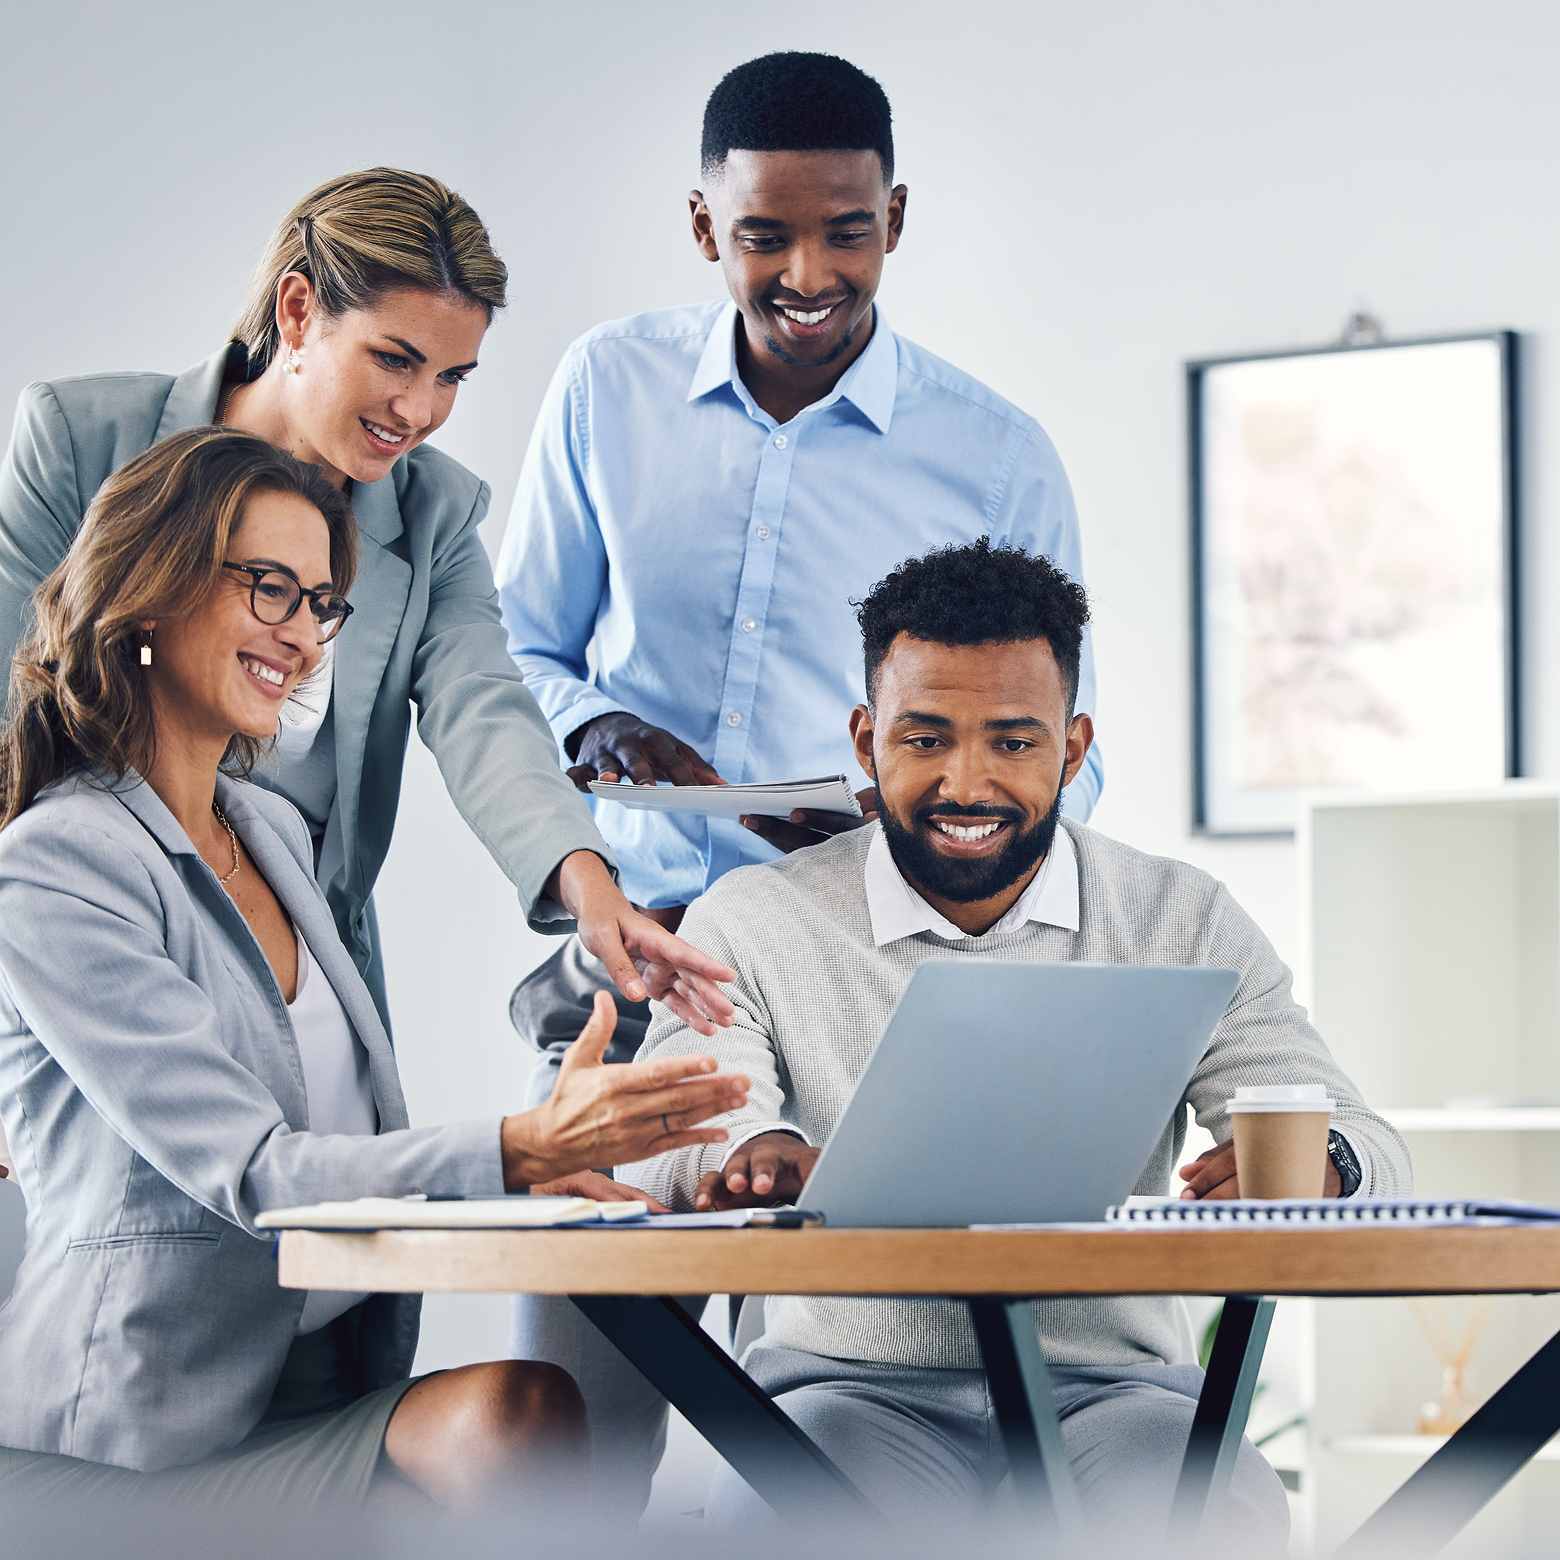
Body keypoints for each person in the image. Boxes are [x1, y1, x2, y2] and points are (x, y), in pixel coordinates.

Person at [497, 53, 1101, 1500]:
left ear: (895, 218)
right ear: (707, 228)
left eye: (844, 229)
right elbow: (510, 648)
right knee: (565, 1429)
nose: (807, 270)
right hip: (626, 981)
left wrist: (897, 814)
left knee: (841, 1438)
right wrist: (597, 731)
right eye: (765, 233)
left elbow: (1064, 765)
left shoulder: (996, 455)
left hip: (859, 993)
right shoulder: (606, 390)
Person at [0, 428, 751, 1508]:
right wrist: (516, 1148)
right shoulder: (59, 863)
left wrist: (534, 1174)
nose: (304, 638)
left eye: (320, 604)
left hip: (324, 1386)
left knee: (535, 1410)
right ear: (150, 592)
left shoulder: (268, 829)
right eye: (270, 590)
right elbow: (260, 1175)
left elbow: (341, 1155)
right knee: (520, 1421)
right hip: (140, 1434)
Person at [622, 539, 1412, 1541]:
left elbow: (1361, 1137)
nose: (966, 783)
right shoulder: (753, 917)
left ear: (1072, 750)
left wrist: (1325, 1166)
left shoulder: (1180, 915)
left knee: (1206, 1513)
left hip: (1115, 1400)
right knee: (790, 1522)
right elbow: (675, 1126)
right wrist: (739, 1159)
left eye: (1012, 741)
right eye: (924, 740)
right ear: (866, 741)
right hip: (849, 1396)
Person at [0, 166, 733, 1043]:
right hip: (92, 935)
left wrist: (588, 883)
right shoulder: (84, 444)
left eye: (452, 375)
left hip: (298, 963)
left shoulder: (433, 515)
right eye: (395, 358)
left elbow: (482, 707)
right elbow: (11, 711)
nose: (418, 409)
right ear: (299, 310)